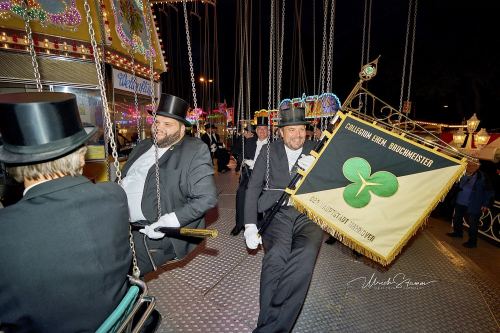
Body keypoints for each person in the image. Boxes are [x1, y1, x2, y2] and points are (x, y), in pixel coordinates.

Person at [0, 92, 132, 332]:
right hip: (119, 319)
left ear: (12, 165)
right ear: (81, 156)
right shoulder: (114, 195)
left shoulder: (6, 229)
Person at [244, 107, 322, 333]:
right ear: (281, 132)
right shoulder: (268, 151)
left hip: (309, 215)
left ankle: (269, 327)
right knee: (276, 257)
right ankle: (270, 324)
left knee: (304, 258)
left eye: (301, 130)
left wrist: (315, 170)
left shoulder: (316, 149)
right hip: (277, 213)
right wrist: (249, 225)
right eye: (291, 130)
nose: (297, 135)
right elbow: (253, 187)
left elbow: (331, 183)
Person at [122, 94, 217, 275]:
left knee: (118, 275)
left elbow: (207, 198)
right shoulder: (142, 146)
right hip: (120, 224)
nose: (159, 128)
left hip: (156, 232)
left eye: (168, 124)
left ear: (182, 130)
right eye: (157, 122)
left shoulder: (193, 149)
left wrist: (170, 221)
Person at [231, 117, 269, 236]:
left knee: (260, 197)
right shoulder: (250, 141)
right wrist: (243, 137)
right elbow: (236, 150)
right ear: (256, 131)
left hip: (265, 176)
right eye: (259, 129)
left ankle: (259, 224)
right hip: (249, 174)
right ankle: (239, 224)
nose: (262, 131)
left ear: (269, 131)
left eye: (264, 129)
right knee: (241, 193)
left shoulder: (274, 144)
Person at [446, 160, 494, 248]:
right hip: (460, 201)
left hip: (474, 203)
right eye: (469, 164)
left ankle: (472, 242)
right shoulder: (462, 173)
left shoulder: (482, 176)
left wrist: (486, 204)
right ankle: (458, 233)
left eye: (473, 165)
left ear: (478, 166)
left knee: (473, 224)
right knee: (457, 218)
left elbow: (489, 192)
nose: (470, 166)